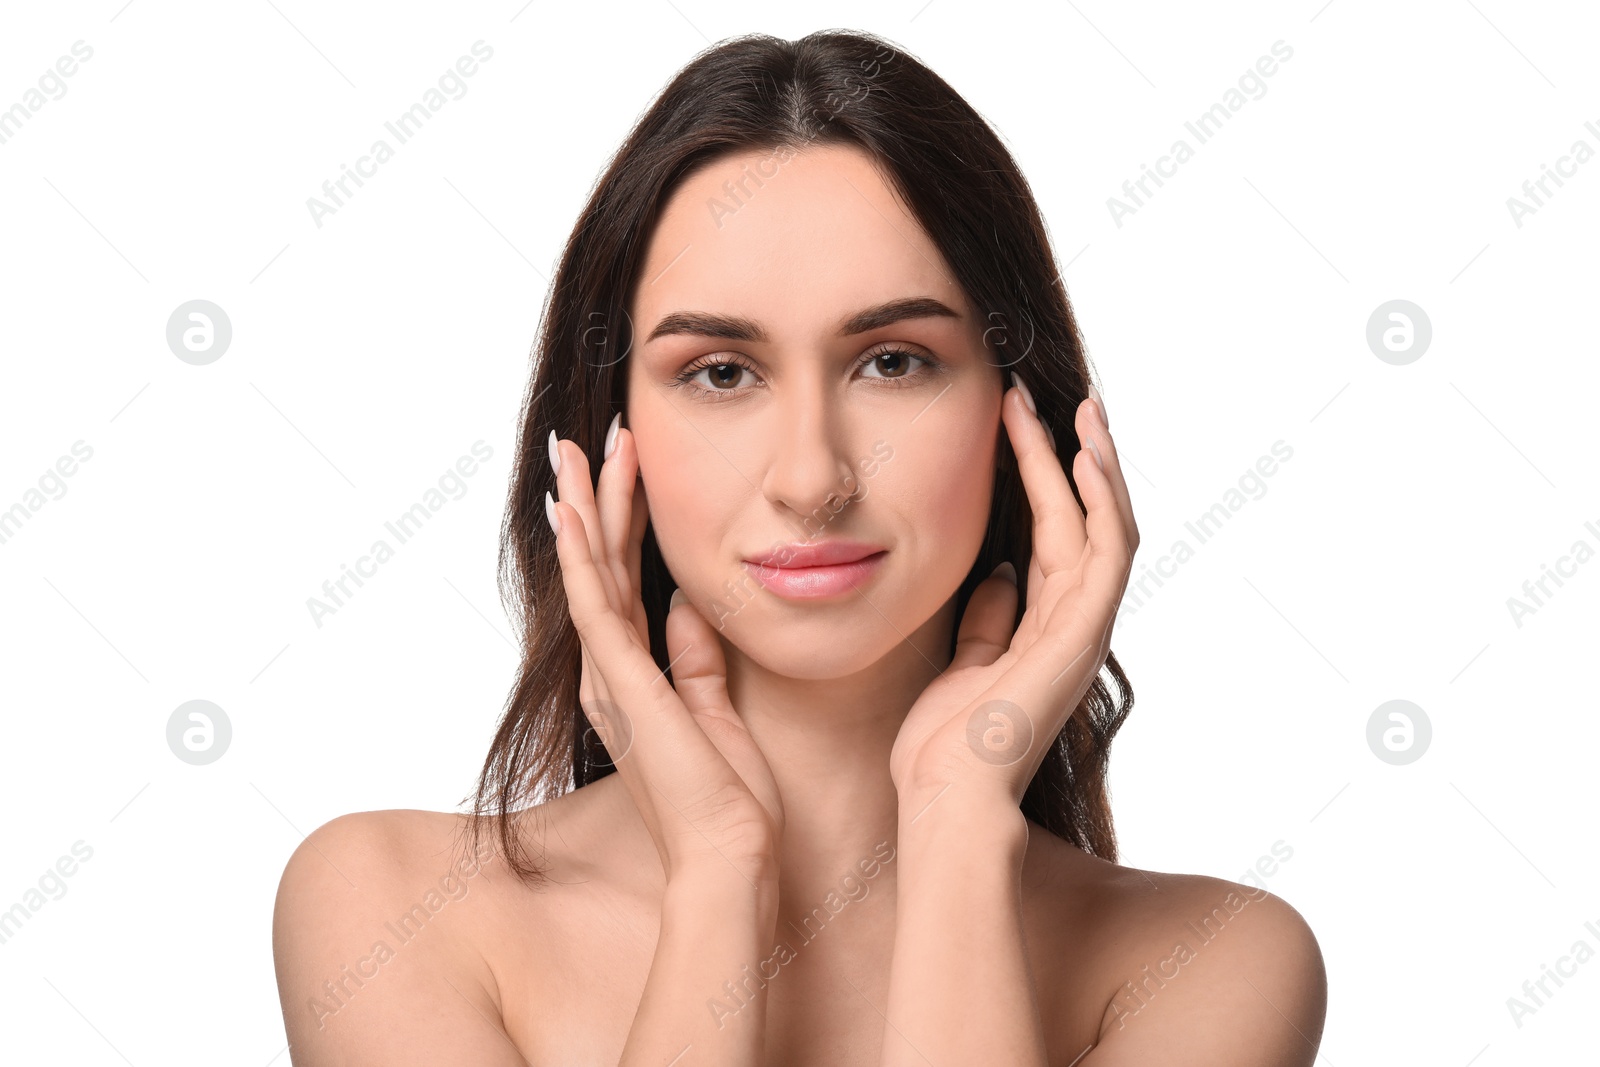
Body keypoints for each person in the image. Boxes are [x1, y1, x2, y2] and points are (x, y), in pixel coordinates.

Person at [273, 29, 1327, 1065]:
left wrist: (958, 829)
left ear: (1020, 425)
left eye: (894, 362)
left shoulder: (1210, 963)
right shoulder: (390, 909)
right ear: (604, 433)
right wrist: (718, 872)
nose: (813, 478)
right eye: (722, 372)